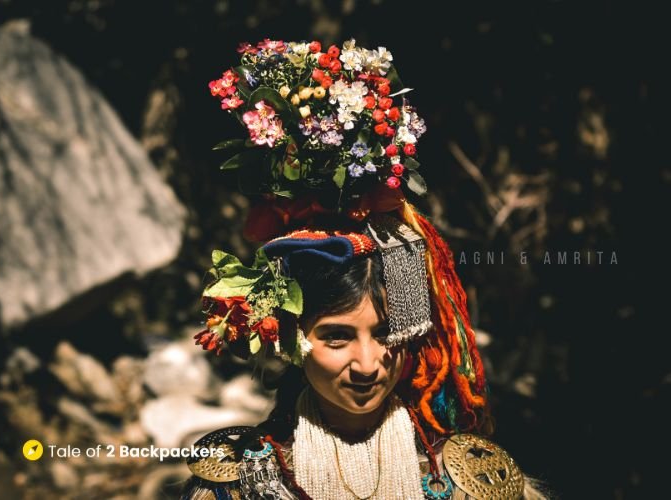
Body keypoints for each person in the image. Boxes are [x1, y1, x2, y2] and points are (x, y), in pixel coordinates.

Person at [182, 38, 545, 499]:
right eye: (337, 336)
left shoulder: (468, 483)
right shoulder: (236, 485)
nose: (369, 365)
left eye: (389, 334)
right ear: (292, 336)